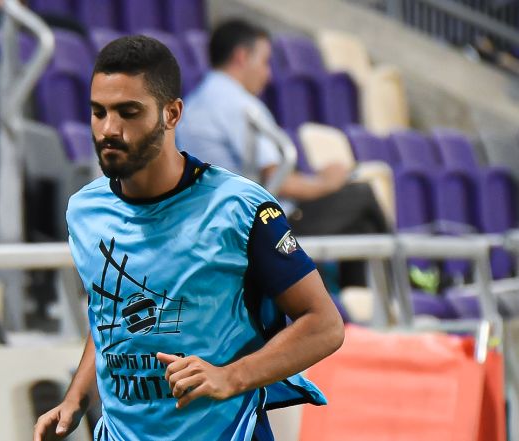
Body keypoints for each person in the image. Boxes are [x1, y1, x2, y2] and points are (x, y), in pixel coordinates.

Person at [33, 35, 344, 441]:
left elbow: (324, 325)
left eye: (128, 112)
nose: (108, 128)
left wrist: (230, 377)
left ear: (172, 113)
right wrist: (76, 397)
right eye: (98, 112)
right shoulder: (84, 210)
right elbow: (109, 314)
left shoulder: (239, 208)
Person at [176, 19, 390, 287]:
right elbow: (280, 180)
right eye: (265, 62)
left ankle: (359, 301)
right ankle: (404, 289)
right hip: (256, 229)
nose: (268, 75)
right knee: (361, 195)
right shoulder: (238, 104)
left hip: (216, 224)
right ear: (241, 57)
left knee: (360, 225)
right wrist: (328, 181)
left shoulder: (195, 102)